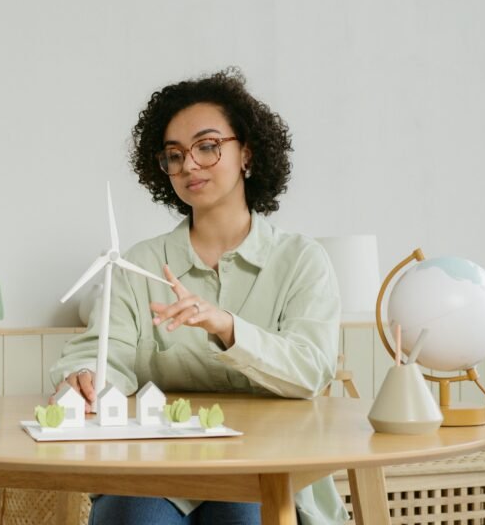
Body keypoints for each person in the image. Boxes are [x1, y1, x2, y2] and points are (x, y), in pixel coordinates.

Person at [49, 68, 349, 525]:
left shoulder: (302, 261)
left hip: (264, 464)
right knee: (133, 516)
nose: (189, 165)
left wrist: (228, 328)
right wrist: (86, 377)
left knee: (246, 513)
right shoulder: (139, 265)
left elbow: (310, 368)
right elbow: (105, 351)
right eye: (174, 155)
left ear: (246, 153)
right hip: (156, 470)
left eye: (207, 147)